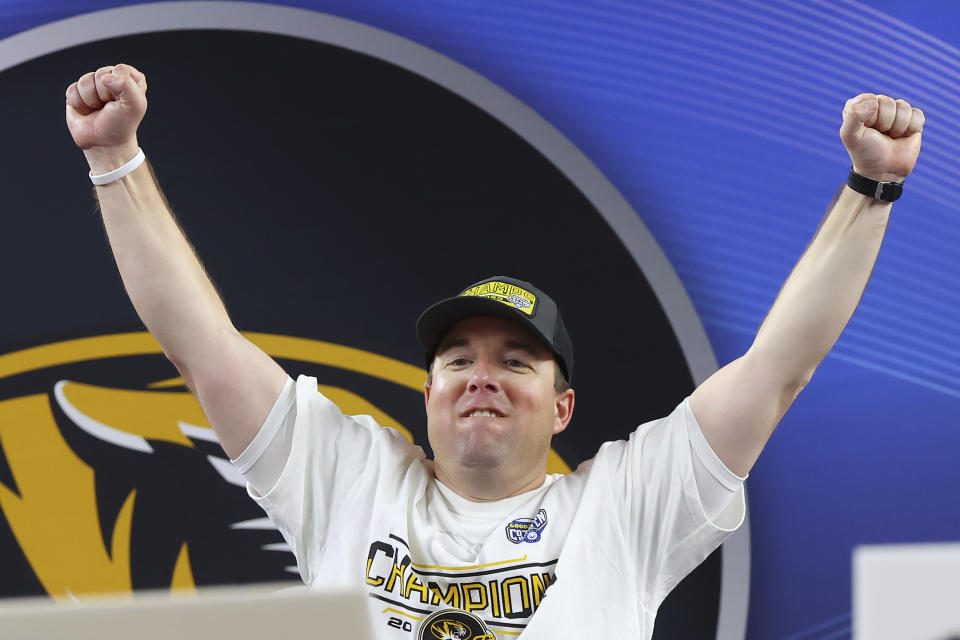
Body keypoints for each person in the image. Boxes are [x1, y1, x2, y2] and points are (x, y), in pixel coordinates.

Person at [66, 63, 924, 639]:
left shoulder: (626, 505)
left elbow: (779, 369)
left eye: (517, 361)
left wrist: (872, 187)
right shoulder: (347, 476)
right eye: (458, 360)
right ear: (427, 396)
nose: (482, 376)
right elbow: (202, 348)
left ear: (563, 409)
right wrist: (114, 159)